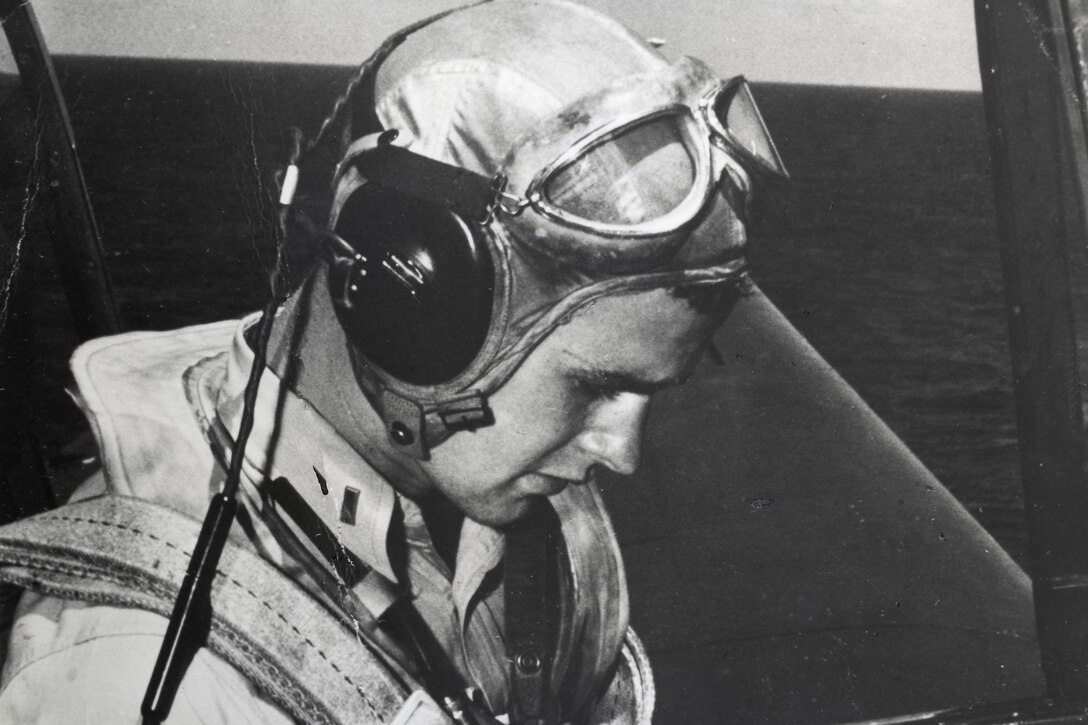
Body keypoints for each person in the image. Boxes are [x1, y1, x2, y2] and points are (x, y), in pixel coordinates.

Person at [0, 0, 786, 722]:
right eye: (594, 385)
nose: (624, 452)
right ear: (412, 303)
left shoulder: (497, 508)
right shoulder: (145, 676)